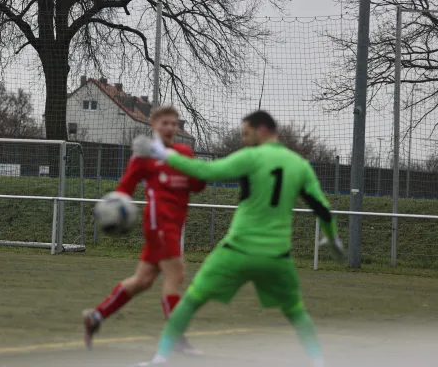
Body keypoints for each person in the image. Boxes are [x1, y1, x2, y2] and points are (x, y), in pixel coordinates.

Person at [130, 110, 345, 367]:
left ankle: (160, 358)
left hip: (236, 251)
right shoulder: (299, 165)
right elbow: (322, 208)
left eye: (246, 133)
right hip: (277, 257)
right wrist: (332, 238)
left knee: (191, 299)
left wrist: (163, 153)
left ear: (261, 130)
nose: (243, 139)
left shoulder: (251, 156)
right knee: (296, 311)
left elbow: (205, 171)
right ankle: (318, 362)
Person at [82, 106, 207, 355]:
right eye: (165, 123)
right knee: (176, 274)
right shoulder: (144, 155)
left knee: (143, 281)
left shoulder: (183, 153)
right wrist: (113, 209)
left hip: (174, 224)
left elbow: (198, 185)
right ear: (153, 126)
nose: (170, 128)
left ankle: (96, 316)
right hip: (159, 222)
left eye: (174, 123)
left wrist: (194, 169)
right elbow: (124, 188)